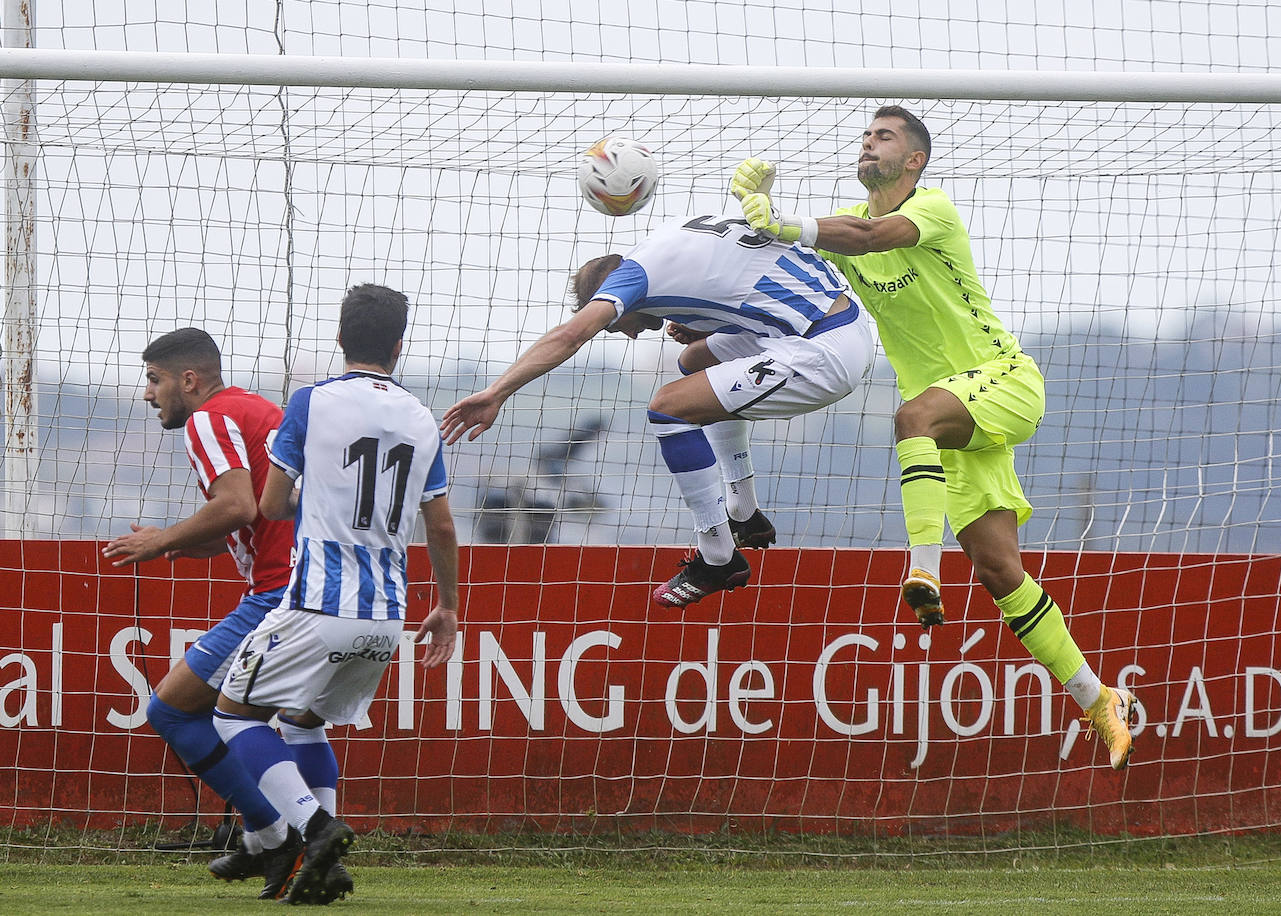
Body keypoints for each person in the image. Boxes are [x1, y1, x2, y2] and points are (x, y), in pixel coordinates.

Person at [730, 105, 1137, 770]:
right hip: (957, 422)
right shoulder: (847, 228)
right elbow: (806, 281)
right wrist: (737, 261)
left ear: (914, 159)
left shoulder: (933, 208)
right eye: (865, 135)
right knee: (1001, 569)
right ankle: (1098, 699)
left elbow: (870, 237)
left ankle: (924, 566)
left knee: (909, 415)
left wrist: (783, 219)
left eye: (884, 136)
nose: (869, 143)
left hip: (1003, 380)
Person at [441, 214, 874, 608]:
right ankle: (743, 512)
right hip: (832, 321)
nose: (627, 335)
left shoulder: (632, 279)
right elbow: (749, 277)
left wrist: (497, 391)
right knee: (693, 362)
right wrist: (712, 325)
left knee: (667, 408)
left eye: (617, 324)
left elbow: (570, 336)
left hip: (822, 350)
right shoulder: (671, 240)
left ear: (615, 298)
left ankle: (717, 556)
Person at [212, 283, 459, 905]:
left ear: (340, 338)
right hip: (387, 615)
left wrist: (312, 496)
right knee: (303, 724)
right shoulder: (421, 418)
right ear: (400, 346)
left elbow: (269, 504)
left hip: (319, 602)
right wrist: (450, 607)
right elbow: (442, 524)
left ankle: (316, 827)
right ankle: (325, 870)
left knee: (232, 712)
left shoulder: (311, 402)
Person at [102, 328, 349, 899]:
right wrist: (187, 543)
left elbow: (235, 503)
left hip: (276, 593)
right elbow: (253, 514)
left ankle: (271, 833)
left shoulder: (207, 420)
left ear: (189, 380)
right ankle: (314, 859)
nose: (148, 394)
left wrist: (163, 540)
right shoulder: (258, 410)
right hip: (320, 586)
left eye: (154, 379)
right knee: (296, 722)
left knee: (171, 710)